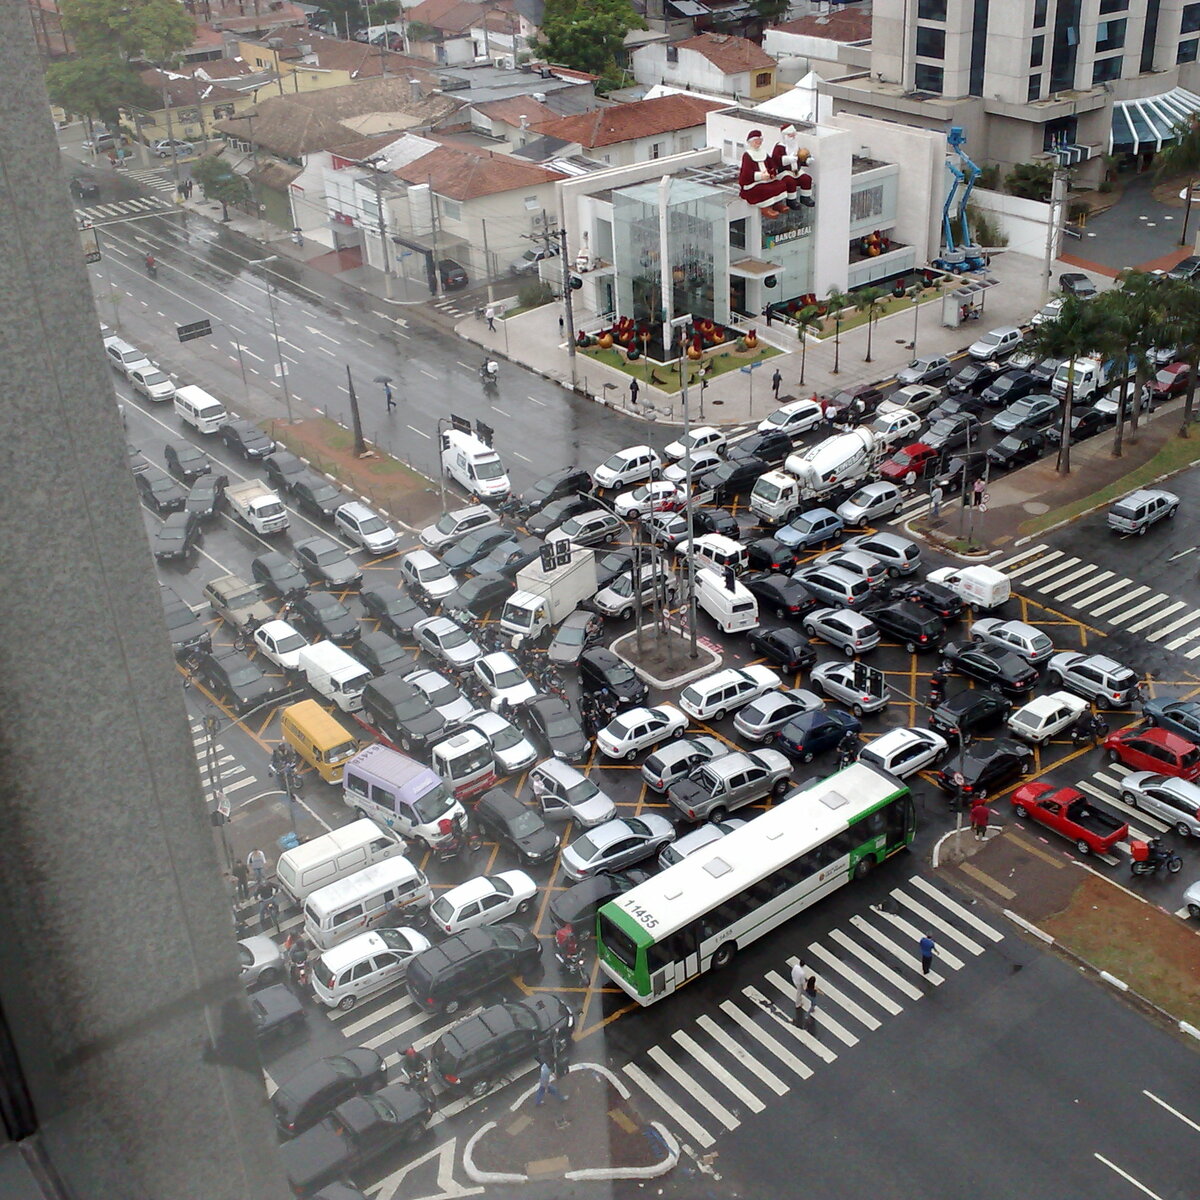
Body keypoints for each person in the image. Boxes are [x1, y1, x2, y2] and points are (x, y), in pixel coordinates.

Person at [790, 958, 807, 1024]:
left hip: (794, 980)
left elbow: (792, 972)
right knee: (799, 992)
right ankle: (798, 1004)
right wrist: (804, 986)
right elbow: (803, 981)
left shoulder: (795, 966)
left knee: (799, 992)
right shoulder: (802, 973)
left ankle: (799, 1000)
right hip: (798, 983)